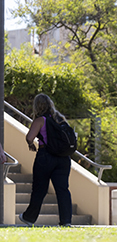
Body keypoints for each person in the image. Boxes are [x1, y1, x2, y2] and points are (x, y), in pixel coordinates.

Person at [19, 93, 73, 227]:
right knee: (63, 190)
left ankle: (29, 218)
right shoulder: (60, 119)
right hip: (63, 158)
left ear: (37, 106)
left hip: (45, 156)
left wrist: (31, 144)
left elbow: (30, 137)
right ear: (50, 104)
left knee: (39, 188)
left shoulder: (40, 120)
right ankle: (66, 221)